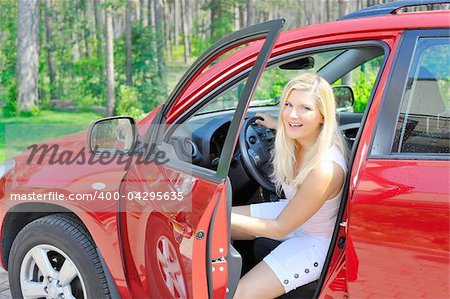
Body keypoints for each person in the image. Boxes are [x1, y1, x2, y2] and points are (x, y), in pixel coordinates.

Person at [231, 73, 349, 299]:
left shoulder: (324, 168)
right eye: (288, 104)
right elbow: (291, 122)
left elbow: (280, 228)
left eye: (305, 108)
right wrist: (277, 124)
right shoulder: (299, 140)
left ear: (322, 116)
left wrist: (219, 215)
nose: (292, 114)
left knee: (239, 295)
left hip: (314, 239)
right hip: (294, 212)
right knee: (218, 227)